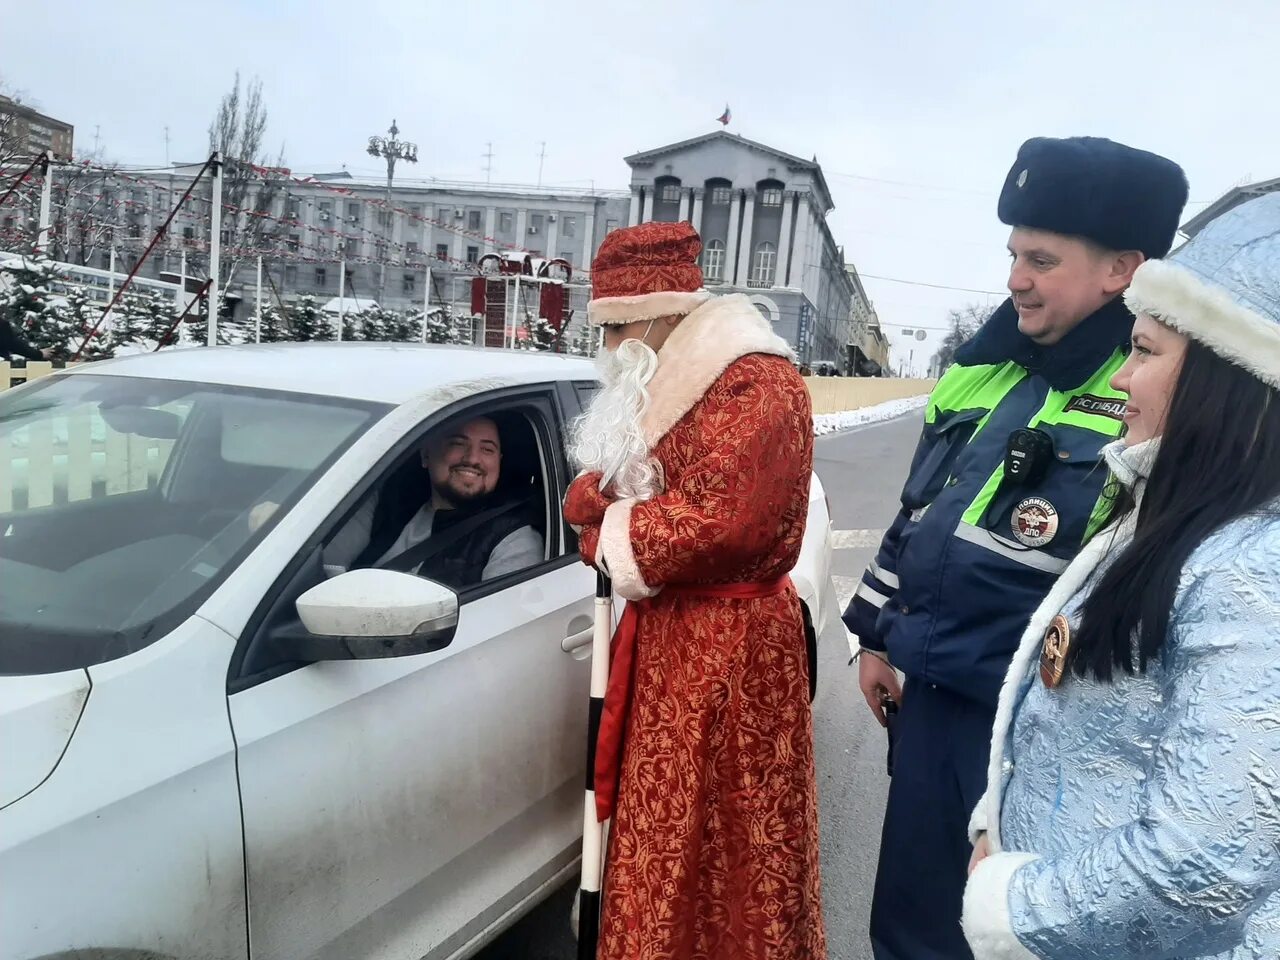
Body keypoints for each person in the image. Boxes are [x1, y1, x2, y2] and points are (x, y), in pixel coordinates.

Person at [842, 137, 1188, 960]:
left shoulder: (1151, 384)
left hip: (1037, 724)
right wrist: (874, 632)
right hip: (930, 700)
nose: (1014, 279)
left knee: (1008, 935)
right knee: (910, 928)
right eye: (1012, 255)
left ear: (1121, 270)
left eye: (1040, 259)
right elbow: (919, 515)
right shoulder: (986, 367)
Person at [963, 191, 1280, 959]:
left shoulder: (1253, 572)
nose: (1121, 381)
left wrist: (1011, 904)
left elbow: (1205, 863)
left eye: (1144, 352)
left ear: (1224, 380)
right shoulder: (1186, 518)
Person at [564, 221, 825, 959]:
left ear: (658, 312)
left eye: (617, 328)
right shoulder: (671, 379)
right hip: (676, 642)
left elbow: (723, 524)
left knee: (730, 838)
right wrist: (599, 504)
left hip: (732, 656)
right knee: (664, 827)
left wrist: (601, 530)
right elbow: (617, 482)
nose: (610, 349)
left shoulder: (754, 380)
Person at [257, 415, 544, 587]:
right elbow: (318, 566)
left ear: (499, 464)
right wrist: (287, 537)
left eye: (488, 449)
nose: (472, 458)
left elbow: (493, 631)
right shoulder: (386, 502)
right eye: (458, 443)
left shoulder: (513, 538)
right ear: (425, 455)